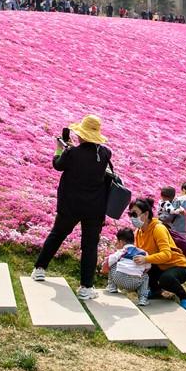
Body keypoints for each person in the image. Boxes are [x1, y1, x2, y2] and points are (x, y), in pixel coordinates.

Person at [31, 115, 112, 298]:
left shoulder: (72, 153)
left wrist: (59, 149)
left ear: (81, 135)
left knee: (57, 234)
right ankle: (86, 287)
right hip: (95, 208)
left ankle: (40, 269)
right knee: (90, 246)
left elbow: (57, 165)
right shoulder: (106, 153)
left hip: (70, 206)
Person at [129, 197, 186, 308]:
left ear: (146, 214)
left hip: (177, 266)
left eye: (135, 214)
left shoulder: (158, 229)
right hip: (159, 266)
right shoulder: (138, 232)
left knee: (166, 279)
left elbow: (166, 255)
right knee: (140, 273)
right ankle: (155, 291)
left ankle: (183, 297)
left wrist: (146, 259)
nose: (132, 218)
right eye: (131, 215)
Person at [105, 227, 151, 306]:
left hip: (119, 279)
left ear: (121, 242)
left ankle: (112, 287)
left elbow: (109, 261)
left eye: (117, 241)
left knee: (113, 263)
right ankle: (143, 299)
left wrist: (104, 267)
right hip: (135, 283)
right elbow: (148, 267)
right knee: (145, 276)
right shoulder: (143, 252)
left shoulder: (122, 251)